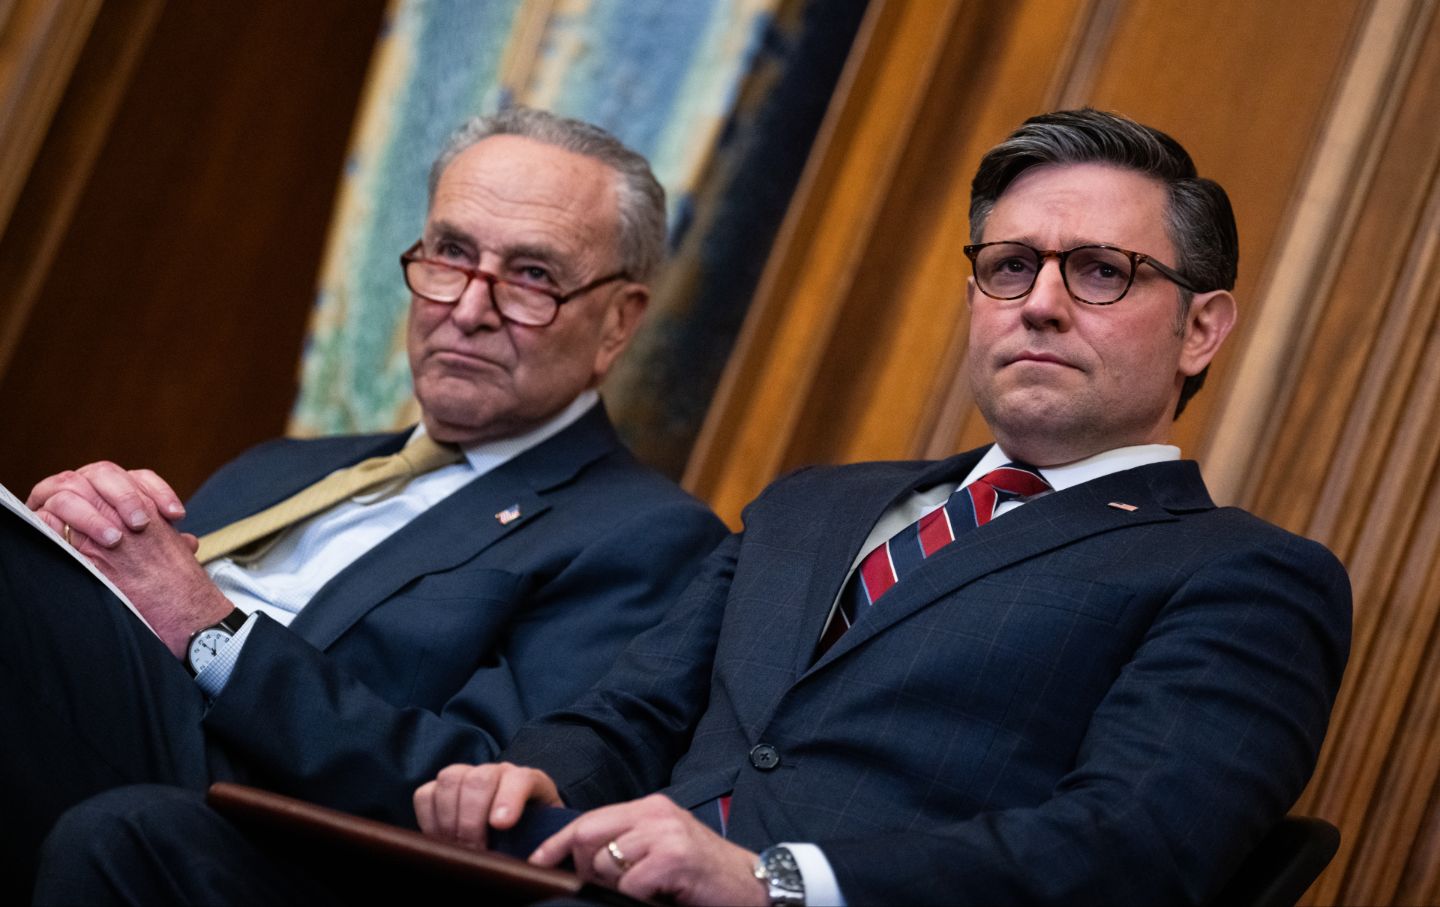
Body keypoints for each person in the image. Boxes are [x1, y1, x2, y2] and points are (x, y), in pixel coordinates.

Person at [35, 109, 1351, 907]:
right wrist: (531, 774)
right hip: (560, 889)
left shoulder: (1243, 573)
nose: (1043, 300)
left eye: (1102, 270)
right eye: (1010, 265)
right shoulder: (814, 507)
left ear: (1204, 324)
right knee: (136, 842)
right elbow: (630, 715)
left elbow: (1135, 851)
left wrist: (779, 881)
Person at [6, 107, 726, 902]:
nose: (467, 307)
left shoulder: (646, 535)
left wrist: (210, 631)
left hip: (260, 818)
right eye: (451, 253)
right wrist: (85, 553)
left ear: (618, 322)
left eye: (530, 276)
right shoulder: (283, 465)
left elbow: (489, 789)